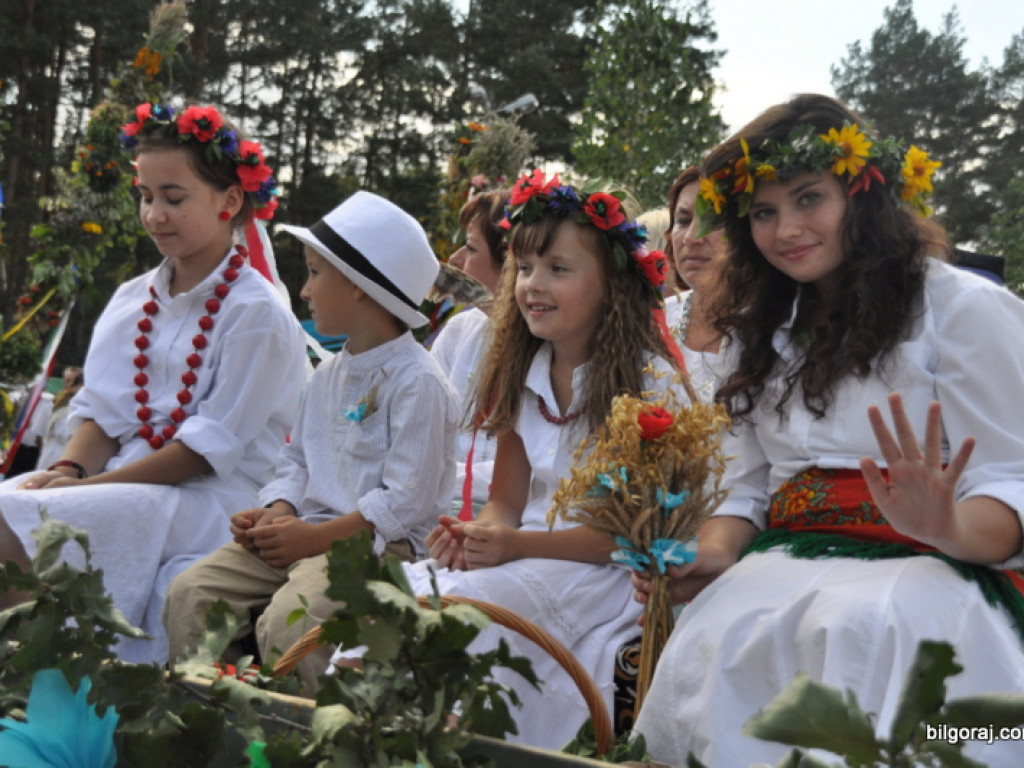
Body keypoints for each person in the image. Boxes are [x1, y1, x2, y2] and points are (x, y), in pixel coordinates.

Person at [632, 94, 1024, 766]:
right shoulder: (755, 330)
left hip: (938, 570)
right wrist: (708, 554)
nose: (786, 229)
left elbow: (1010, 481)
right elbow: (747, 490)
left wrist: (948, 526)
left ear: (862, 196)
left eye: (809, 198)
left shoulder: (963, 309)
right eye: (763, 212)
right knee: (712, 638)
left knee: (863, 631)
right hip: (781, 567)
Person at [356, 169, 685, 750]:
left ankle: (449, 747)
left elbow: (635, 536)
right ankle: (372, 742)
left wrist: (516, 546)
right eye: (525, 268)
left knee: (465, 617)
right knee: (403, 596)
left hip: (604, 574)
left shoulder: (647, 383)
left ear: (610, 283)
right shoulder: (524, 370)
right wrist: (477, 534)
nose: (533, 284)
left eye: (558, 269)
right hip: (530, 553)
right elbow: (507, 501)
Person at [0, 102, 307, 664]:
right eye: (145, 196)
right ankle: (31, 674)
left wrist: (85, 491)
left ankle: (39, 676)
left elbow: (201, 452)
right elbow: (101, 415)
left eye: (174, 197)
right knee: (16, 500)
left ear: (230, 202)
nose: (155, 215)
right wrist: (67, 469)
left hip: (213, 501)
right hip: (132, 485)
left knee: (20, 522)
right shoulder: (131, 299)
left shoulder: (257, 313)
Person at [163, 191, 460, 690]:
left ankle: (298, 742)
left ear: (360, 287)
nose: (304, 291)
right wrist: (277, 511)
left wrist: (313, 538)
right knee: (191, 593)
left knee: (293, 623)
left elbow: (404, 505)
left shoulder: (418, 382)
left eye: (315, 273)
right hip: (308, 535)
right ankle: (213, 722)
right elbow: (297, 461)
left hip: (375, 552)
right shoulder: (329, 373)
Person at [431, 189, 509, 516]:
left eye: (472, 248)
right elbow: (421, 430)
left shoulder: (557, 348)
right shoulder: (459, 331)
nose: (456, 261)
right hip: (435, 512)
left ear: (513, 264)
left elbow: (527, 475)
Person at [662, 167, 730, 404]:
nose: (692, 237)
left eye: (713, 221)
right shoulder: (651, 322)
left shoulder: (779, 331)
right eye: (683, 220)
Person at [35, 365, 84, 472]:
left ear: (80, 384)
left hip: (67, 450)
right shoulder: (58, 400)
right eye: (65, 380)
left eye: (70, 381)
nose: (65, 384)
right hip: (52, 447)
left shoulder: (82, 405)